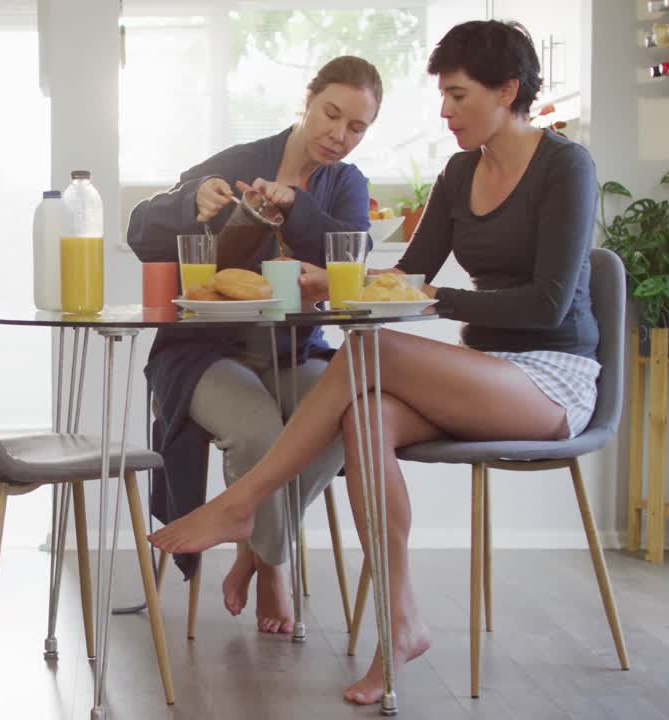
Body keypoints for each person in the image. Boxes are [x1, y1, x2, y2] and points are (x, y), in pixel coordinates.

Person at [147, 20, 601, 706]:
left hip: (552, 376)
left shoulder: (567, 166)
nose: (444, 112)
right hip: (487, 372)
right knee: (364, 415)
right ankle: (401, 628)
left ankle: (241, 505)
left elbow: (546, 305)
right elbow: (403, 279)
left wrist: (429, 295)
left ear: (507, 91)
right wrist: (326, 281)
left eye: (456, 95)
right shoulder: (459, 173)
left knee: (368, 351)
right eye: (442, 96)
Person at [126, 56, 382, 633]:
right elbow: (139, 230)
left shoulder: (346, 185)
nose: (339, 135)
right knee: (261, 430)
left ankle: (252, 549)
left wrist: (297, 207)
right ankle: (274, 570)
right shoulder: (239, 163)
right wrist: (191, 199)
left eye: (357, 127)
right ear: (307, 101)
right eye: (331, 114)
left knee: (353, 415)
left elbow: (351, 255)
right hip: (202, 353)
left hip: (294, 352)